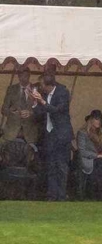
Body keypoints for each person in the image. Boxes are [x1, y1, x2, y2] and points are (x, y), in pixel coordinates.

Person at [29, 67, 72, 201]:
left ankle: (61, 195)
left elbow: (57, 110)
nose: (40, 88)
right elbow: (39, 114)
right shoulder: (45, 96)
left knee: (62, 166)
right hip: (50, 135)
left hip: (62, 135)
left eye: (41, 85)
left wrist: (42, 101)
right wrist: (35, 103)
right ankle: (52, 195)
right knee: (51, 166)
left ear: (48, 85)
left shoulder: (62, 92)